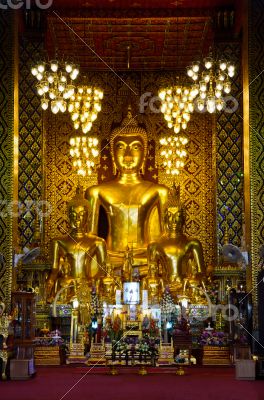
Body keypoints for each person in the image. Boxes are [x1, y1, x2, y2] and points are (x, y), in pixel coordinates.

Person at [85, 106, 168, 274]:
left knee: (169, 259)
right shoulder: (97, 191)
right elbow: (90, 238)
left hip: (145, 257)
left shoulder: (159, 192)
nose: (128, 155)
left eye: (136, 147)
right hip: (110, 257)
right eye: (121, 147)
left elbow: (165, 238)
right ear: (112, 154)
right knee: (88, 259)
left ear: (145, 155)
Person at [46, 186, 107, 303]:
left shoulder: (98, 242)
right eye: (73, 215)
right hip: (67, 286)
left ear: (88, 217)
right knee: (62, 286)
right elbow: (54, 270)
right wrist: (48, 285)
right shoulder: (58, 241)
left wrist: (94, 283)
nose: (77, 219)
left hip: (87, 285)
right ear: (68, 217)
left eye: (81, 215)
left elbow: (103, 270)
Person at [147, 184, 206, 294]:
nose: (174, 220)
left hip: (186, 290)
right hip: (164, 291)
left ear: (184, 219)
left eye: (178, 216)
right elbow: (151, 274)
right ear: (164, 219)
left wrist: (189, 281)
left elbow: (201, 274)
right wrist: (162, 284)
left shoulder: (192, 243)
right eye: (169, 216)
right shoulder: (155, 245)